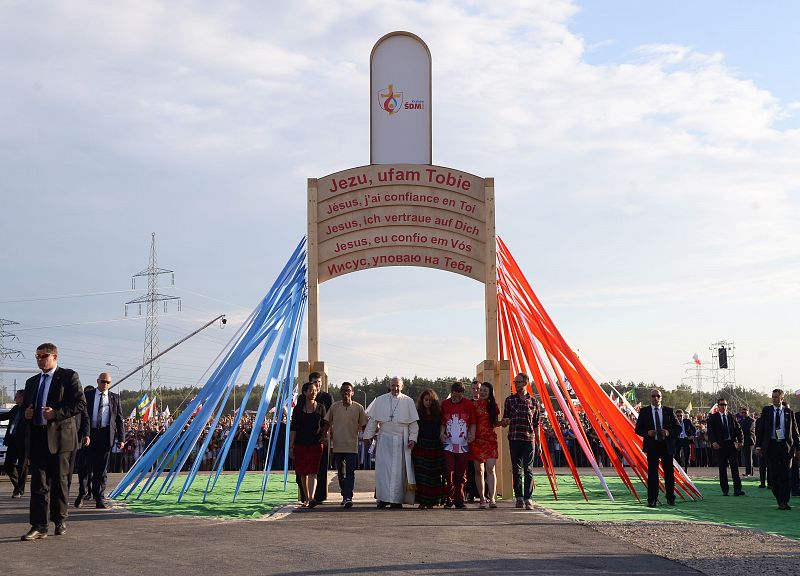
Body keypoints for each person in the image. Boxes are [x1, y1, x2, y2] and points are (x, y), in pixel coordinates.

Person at [20, 343, 86, 540]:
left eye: (44, 355)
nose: (40, 359)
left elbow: (80, 404)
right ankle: (39, 526)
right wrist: (27, 413)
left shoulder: (68, 377)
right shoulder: (32, 382)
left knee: (59, 482)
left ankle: (59, 519)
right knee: (38, 485)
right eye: (37, 356)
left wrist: (56, 414)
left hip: (60, 438)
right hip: (38, 437)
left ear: (55, 357)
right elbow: (24, 407)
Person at [364, 376, 419, 508]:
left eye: (397, 386)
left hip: (402, 441)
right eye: (393, 385)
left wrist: (413, 439)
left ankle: (396, 500)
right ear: (390, 386)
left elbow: (413, 424)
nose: (395, 388)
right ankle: (383, 498)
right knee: (383, 471)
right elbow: (373, 421)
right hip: (384, 440)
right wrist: (368, 436)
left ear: (402, 386)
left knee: (399, 472)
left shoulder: (408, 401)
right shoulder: (381, 400)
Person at [83, 373, 125, 508]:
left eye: (108, 382)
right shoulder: (88, 396)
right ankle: (84, 492)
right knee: (88, 466)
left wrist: (121, 438)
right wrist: (84, 434)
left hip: (106, 435)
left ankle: (99, 497)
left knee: (102, 469)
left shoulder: (114, 398)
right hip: (90, 435)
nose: (105, 384)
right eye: (103, 381)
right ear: (97, 381)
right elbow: (83, 417)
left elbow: (119, 420)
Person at [324, 381, 368, 508]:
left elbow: (364, 425)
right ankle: (345, 493)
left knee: (350, 473)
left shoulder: (359, 407)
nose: (346, 392)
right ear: (340, 392)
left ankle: (348, 496)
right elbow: (327, 422)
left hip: (352, 446)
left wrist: (367, 438)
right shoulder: (334, 407)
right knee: (341, 473)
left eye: (348, 390)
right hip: (337, 446)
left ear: (352, 392)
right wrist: (323, 436)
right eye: (343, 390)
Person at [755, 389, 800, 510]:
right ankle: (779, 497)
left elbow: (795, 432)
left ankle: (784, 501)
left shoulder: (788, 412)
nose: (774, 399)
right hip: (771, 446)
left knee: (786, 475)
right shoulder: (767, 411)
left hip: (786, 447)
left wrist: (798, 448)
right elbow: (761, 430)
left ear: (782, 398)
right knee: (774, 476)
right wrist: (758, 446)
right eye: (773, 397)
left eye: (776, 397)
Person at [634, 388, 679, 507]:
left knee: (669, 473)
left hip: (666, 445)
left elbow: (678, 428)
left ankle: (670, 497)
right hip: (652, 445)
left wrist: (668, 432)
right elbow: (638, 429)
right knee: (653, 473)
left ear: (661, 397)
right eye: (653, 396)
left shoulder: (668, 411)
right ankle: (652, 499)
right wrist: (647, 433)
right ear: (650, 398)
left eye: (658, 396)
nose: (656, 398)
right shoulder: (644, 411)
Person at [501, 373, 540, 510]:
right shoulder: (510, 400)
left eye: (518, 382)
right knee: (516, 470)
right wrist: (505, 422)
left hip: (529, 439)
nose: (515, 384)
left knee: (528, 469)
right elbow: (505, 419)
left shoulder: (534, 402)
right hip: (514, 438)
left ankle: (528, 498)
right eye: (514, 382)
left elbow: (536, 424)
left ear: (525, 383)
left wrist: (538, 442)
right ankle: (519, 498)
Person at [289, 381, 329, 508]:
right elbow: (293, 428)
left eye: (315, 390)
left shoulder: (321, 407)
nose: (313, 393)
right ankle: (305, 498)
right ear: (305, 392)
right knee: (302, 472)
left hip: (315, 444)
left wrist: (324, 437)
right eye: (311, 390)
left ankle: (311, 498)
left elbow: (325, 425)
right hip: (300, 444)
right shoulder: (298, 409)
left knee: (313, 471)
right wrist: (291, 446)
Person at [440, 381, 476, 509]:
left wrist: (472, 435)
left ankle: (459, 500)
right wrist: (441, 434)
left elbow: (472, 422)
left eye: (459, 396)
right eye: (454, 396)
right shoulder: (444, 404)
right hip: (448, 445)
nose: (456, 398)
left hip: (463, 445)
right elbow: (442, 423)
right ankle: (449, 499)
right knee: (449, 472)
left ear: (463, 394)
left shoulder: (469, 404)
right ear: (451, 393)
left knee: (461, 474)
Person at [412, 389, 446, 508]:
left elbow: (442, 426)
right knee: (421, 475)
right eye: (426, 400)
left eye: (430, 400)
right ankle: (422, 501)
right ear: (422, 400)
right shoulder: (417, 413)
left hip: (435, 446)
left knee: (435, 475)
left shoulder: (438, 413)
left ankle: (433, 501)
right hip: (421, 446)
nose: (428, 402)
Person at [470, 382, 501, 509]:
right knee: (479, 470)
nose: (482, 392)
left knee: (490, 469)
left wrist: (502, 423)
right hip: (477, 441)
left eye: (485, 390)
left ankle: (492, 498)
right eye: (481, 390)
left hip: (490, 441)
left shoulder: (494, 406)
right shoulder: (473, 405)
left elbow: (495, 423)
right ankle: (482, 499)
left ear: (490, 392)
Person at [706, 398, 745, 497]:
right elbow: (710, 432)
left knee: (735, 468)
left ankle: (737, 489)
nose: (724, 406)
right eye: (722, 405)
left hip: (731, 445)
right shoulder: (713, 417)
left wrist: (740, 441)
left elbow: (738, 429)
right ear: (718, 406)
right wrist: (713, 442)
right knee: (722, 468)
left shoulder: (731, 416)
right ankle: (725, 489)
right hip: (720, 446)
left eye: (725, 405)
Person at [0, 390, 29, 498]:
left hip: (24, 441)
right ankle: (18, 486)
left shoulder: (28, 409)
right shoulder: (15, 409)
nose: (15, 399)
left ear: (22, 397)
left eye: (16, 397)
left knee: (23, 466)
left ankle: (19, 490)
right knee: (8, 465)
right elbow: (5, 416)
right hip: (12, 440)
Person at [309, 372, 333, 503]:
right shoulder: (304, 397)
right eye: (315, 381)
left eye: (319, 382)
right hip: (308, 437)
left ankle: (320, 496)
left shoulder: (327, 397)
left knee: (322, 467)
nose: (318, 384)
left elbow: (331, 416)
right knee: (308, 468)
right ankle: (308, 496)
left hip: (323, 435)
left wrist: (327, 434)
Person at [464, 380, 481, 502]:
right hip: (470, 439)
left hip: (483, 439)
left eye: (478, 388)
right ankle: (470, 492)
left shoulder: (486, 404)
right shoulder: (468, 404)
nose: (476, 391)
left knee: (482, 468)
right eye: (474, 389)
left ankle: (482, 492)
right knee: (470, 467)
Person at [738, 406, 756, 477]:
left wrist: (740, 431)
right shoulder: (741, 420)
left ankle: (749, 473)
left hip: (749, 441)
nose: (744, 414)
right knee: (746, 458)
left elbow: (747, 429)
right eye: (742, 412)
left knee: (749, 457)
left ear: (748, 412)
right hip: (743, 441)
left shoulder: (751, 420)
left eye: (745, 412)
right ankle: (747, 472)